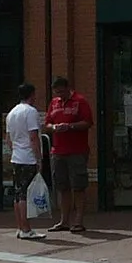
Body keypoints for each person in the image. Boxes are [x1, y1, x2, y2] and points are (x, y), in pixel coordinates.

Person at [44, 74, 96, 233]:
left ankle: (78, 220)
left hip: (76, 151)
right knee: (62, 186)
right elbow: (47, 123)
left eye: (62, 92)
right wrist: (53, 128)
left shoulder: (80, 101)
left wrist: (70, 126)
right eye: (57, 93)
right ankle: (63, 220)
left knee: (78, 186)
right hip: (58, 150)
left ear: (68, 88)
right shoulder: (54, 103)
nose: (60, 95)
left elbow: (88, 122)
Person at [5, 83, 44, 240]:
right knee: (25, 194)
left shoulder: (12, 113)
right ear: (31, 95)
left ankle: (20, 227)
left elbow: (8, 139)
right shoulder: (31, 112)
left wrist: (15, 149)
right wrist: (39, 157)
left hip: (16, 157)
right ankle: (27, 228)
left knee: (18, 193)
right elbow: (33, 137)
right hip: (28, 157)